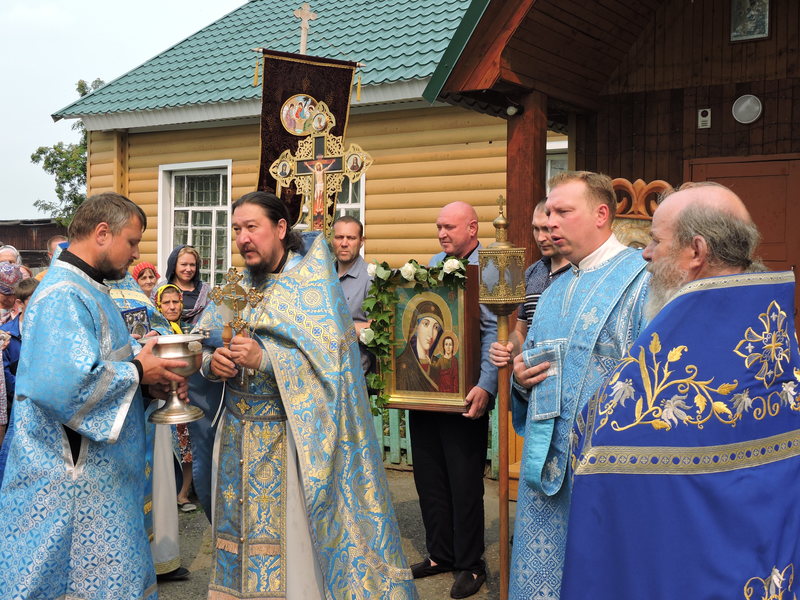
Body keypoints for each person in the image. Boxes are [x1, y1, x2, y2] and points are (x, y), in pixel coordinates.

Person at [561, 183, 798, 599]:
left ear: (696, 252)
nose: (646, 253)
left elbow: (597, 444)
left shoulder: (679, 351)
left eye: (655, 240)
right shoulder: (773, 327)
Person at [195, 191, 416, 599]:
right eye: (237, 229)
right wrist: (212, 363)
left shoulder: (311, 286)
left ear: (280, 228)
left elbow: (332, 367)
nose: (243, 238)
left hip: (291, 441)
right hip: (235, 439)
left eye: (252, 227)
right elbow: (204, 338)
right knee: (236, 538)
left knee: (291, 549)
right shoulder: (235, 285)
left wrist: (266, 359)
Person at [0, 192, 189, 600]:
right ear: (103, 233)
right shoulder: (62, 295)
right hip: (72, 488)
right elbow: (64, 386)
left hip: (102, 485)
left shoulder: (90, 289)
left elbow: (103, 365)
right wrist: (139, 371)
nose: (135, 254)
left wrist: (147, 385)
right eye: (132, 242)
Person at [509, 171, 650, 600]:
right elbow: (530, 362)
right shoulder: (554, 289)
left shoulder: (641, 281)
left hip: (604, 470)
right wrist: (519, 379)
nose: (550, 222)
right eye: (549, 212)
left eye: (563, 212)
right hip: (544, 470)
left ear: (601, 214)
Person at [409, 201, 498, 599]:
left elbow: (493, 330)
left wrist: (486, 385)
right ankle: (440, 554)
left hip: (466, 393)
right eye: (438, 227)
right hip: (427, 391)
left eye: (449, 227)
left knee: (464, 481)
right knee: (429, 476)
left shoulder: (489, 268)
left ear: (472, 228)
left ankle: (470, 563)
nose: (442, 233)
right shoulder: (433, 263)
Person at [489, 199, 571, 368]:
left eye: (546, 229)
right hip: (532, 377)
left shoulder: (580, 272)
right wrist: (508, 348)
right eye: (535, 228)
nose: (540, 238)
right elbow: (521, 332)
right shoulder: (531, 273)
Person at [154, 283, 197, 514]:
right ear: (158, 306)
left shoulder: (188, 329)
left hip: (186, 396)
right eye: (166, 303)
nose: (172, 307)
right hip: (161, 396)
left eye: (176, 302)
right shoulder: (155, 332)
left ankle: (183, 492)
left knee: (186, 447)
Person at [0, 277, 38, 480]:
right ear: (20, 303)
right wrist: (25, 389)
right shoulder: (7, 333)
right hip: (17, 401)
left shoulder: (49, 331)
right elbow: (4, 372)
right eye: (33, 300)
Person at [331, 216, 373, 375]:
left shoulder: (371, 278)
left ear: (361, 241)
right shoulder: (323, 276)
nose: (344, 243)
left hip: (355, 375)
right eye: (339, 237)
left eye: (351, 238)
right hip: (323, 370)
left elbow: (377, 330)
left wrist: (334, 327)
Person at [395, 299, 446, 393]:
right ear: (415, 327)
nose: (430, 334)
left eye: (436, 327)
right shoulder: (400, 366)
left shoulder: (438, 364)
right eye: (426, 324)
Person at [162, 245, 209, 325]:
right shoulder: (161, 289)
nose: (188, 269)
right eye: (184, 264)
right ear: (174, 265)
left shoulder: (205, 291)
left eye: (192, 265)